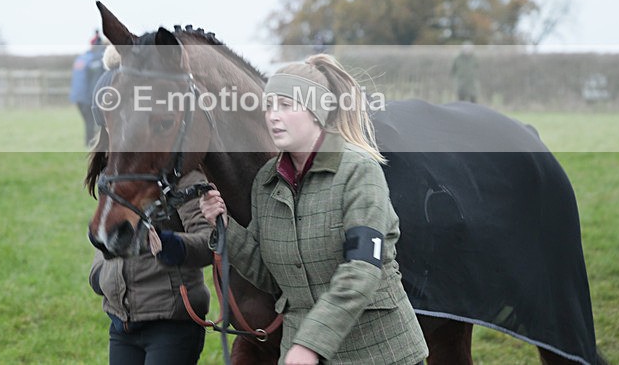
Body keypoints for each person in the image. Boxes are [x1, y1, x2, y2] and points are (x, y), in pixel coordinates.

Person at [200, 54, 428, 365]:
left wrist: (309, 345)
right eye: (269, 107)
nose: (273, 117)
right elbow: (269, 276)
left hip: (379, 352)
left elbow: (362, 270)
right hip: (302, 351)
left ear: (316, 112)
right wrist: (224, 226)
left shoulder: (359, 171)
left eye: (286, 106)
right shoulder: (266, 182)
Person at [89, 170, 214, 365]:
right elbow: (106, 233)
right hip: (122, 323)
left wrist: (172, 245)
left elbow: (210, 241)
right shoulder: (114, 175)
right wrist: (100, 275)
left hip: (172, 324)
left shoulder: (185, 177)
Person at [70, 31, 106, 146]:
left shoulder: (82, 58)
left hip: (77, 97)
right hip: (86, 97)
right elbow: (95, 81)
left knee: (88, 122)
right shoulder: (95, 60)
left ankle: (89, 143)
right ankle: (90, 144)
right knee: (91, 122)